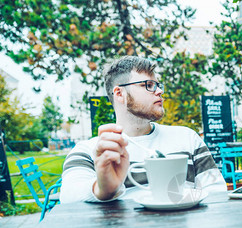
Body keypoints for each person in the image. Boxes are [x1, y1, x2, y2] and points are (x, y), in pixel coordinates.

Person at [60, 56, 226, 203]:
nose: (160, 91)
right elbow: (68, 196)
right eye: (149, 85)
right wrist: (103, 189)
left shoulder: (187, 138)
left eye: (158, 85)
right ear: (119, 94)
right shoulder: (94, 151)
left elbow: (217, 192)